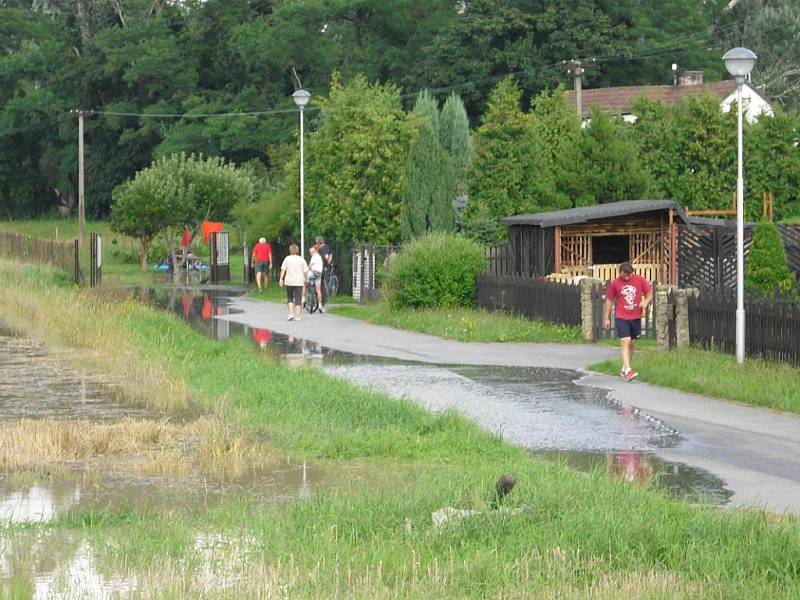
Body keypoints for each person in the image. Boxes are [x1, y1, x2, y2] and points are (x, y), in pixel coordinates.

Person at [604, 261, 652, 381]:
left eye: (628, 275)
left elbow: (649, 293)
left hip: (635, 316)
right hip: (622, 317)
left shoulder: (639, 280)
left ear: (632, 273)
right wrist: (607, 318)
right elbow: (609, 301)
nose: (626, 277)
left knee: (632, 344)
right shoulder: (615, 283)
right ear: (620, 272)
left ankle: (624, 368)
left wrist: (645, 302)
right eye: (624, 275)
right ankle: (628, 370)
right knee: (626, 341)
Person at [279, 243, 308, 321]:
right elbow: (305, 271)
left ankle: (291, 313)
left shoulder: (287, 259)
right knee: (298, 298)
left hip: (289, 281)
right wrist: (306, 279)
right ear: (297, 250)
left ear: (290, 250)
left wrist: (281, 279)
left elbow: (283, 270)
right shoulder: (301, 259)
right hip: (299, 281)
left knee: (290, 297)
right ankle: (298, 316)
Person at [315, 236, 333, 306]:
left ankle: (322, 301)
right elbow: (331, 254)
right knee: (321, 284)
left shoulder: (323, 248)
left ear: (318, 242)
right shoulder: (326, 247)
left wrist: (326, 264)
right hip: (323, 268)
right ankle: (321, 301)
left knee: (321, 285)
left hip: (322, 268)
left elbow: (327, 256)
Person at [307, 245, 324, 313]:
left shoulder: (314, 257)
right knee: (318, 289)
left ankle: (303, 299)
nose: (311, 253)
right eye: (310, 252)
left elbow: (310, 265)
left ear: (316, 251)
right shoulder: (320, 257)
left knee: (304, 282)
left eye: (312, 252)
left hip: (313, 273)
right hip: (319, 274)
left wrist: (306, 270)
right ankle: (320, 305)